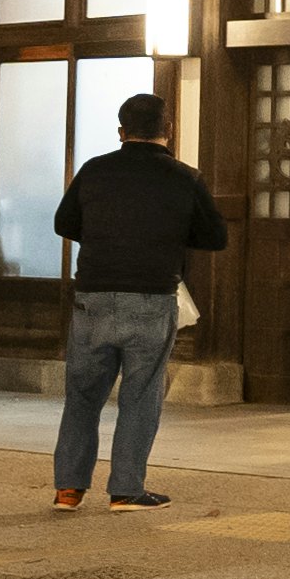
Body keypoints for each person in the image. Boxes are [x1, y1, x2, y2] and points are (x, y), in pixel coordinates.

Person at [49, 91, 226, 514]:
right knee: (141, 395)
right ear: (169, 129)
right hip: (151, 296)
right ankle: (126, 490)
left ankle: (68, 489)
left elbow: (63, 222)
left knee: (82, 395)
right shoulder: (185, 177)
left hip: (92, 295)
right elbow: (215, 237)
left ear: (121, 131)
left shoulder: (94, 170)